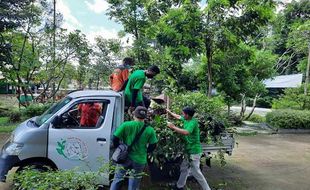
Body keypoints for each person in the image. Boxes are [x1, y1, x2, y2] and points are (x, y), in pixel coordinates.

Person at [110, 106, 158, 190]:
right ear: (145, 117)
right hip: (139, 160)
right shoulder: (150, 130)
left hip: (124, 158)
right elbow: (153, 145)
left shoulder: (126, 125)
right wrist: (145, 151)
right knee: (134, 184)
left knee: (117, 179)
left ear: (134, 115)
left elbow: (115, 138)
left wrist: (120, 148)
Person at [166, 107, 211, 190]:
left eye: (183, 113)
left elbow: (186, 132)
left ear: (187, 115)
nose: (182, 115)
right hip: (188, 151)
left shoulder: (193, 122)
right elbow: (178, 117)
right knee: (184, 169)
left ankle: (207, 189)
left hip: (194, 151)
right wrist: (169, 112)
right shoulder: (186, 119)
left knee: (196, 173)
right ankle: (180, 186)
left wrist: (173, 127)